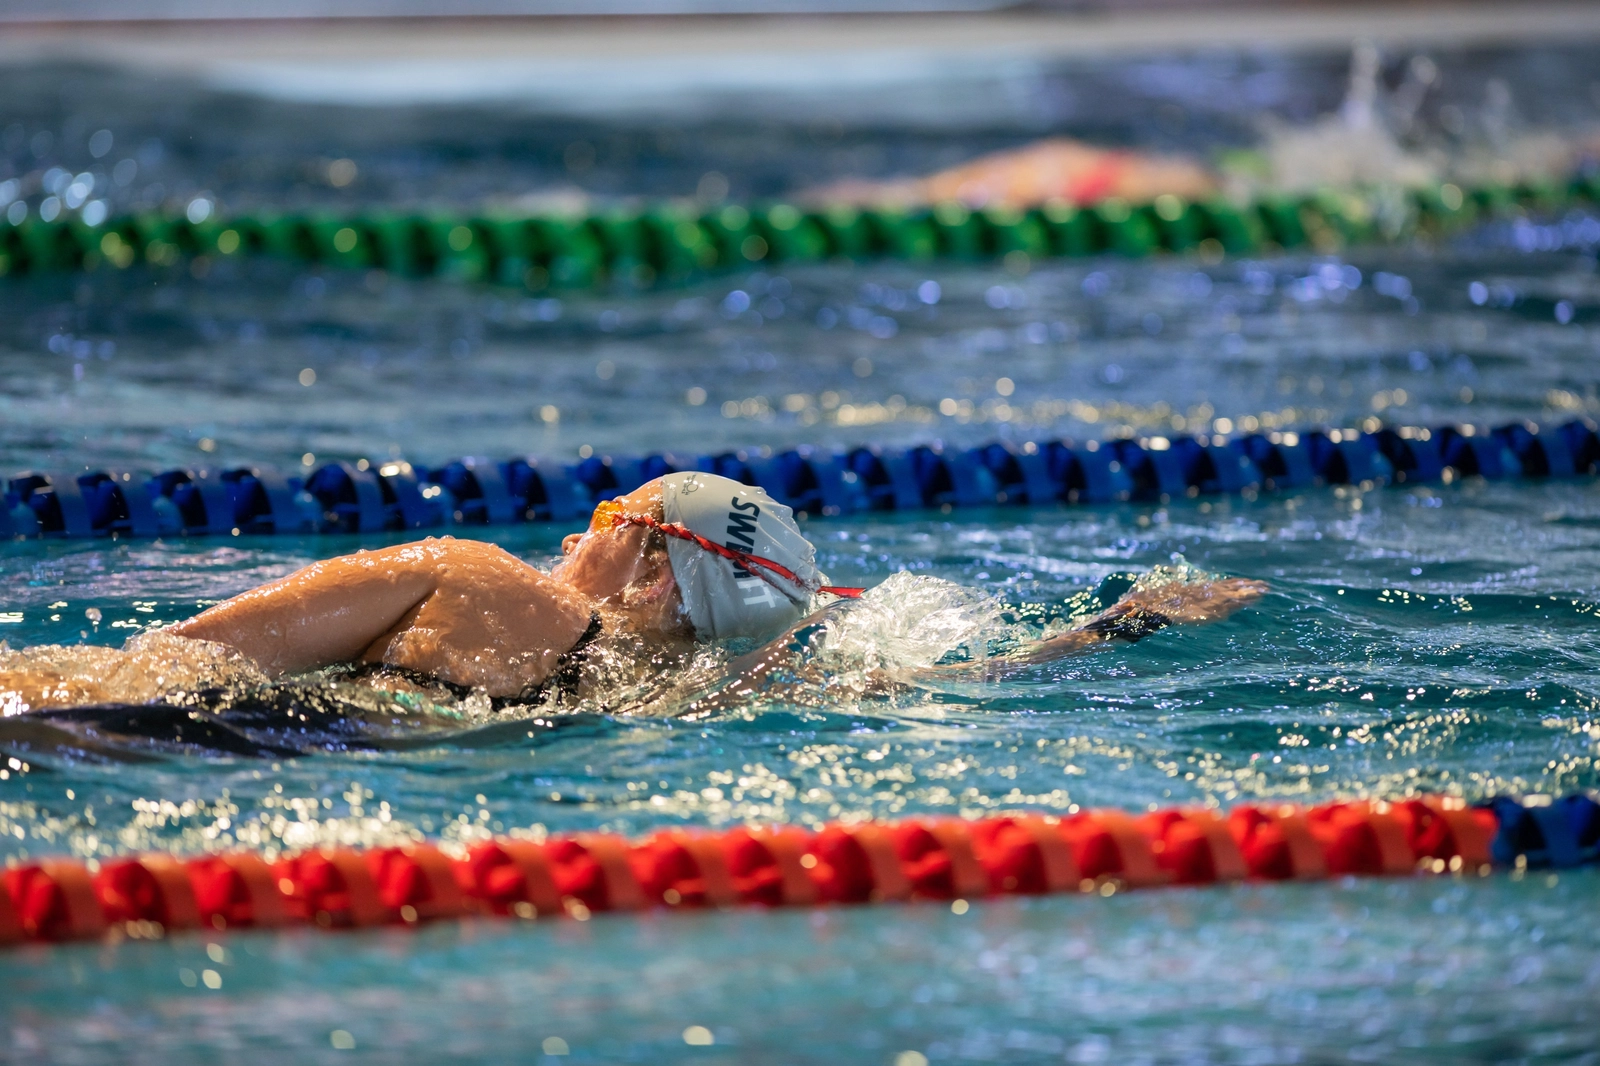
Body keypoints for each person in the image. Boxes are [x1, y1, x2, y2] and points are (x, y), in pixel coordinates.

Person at [0, 472, 1265, 728]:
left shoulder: (476, 574)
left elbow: (166, 659)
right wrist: (1121, 620)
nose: (571, 526)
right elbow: (949, 678)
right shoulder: (709, 691)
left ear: (656, 568)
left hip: (181, 723)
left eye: (612, 517)